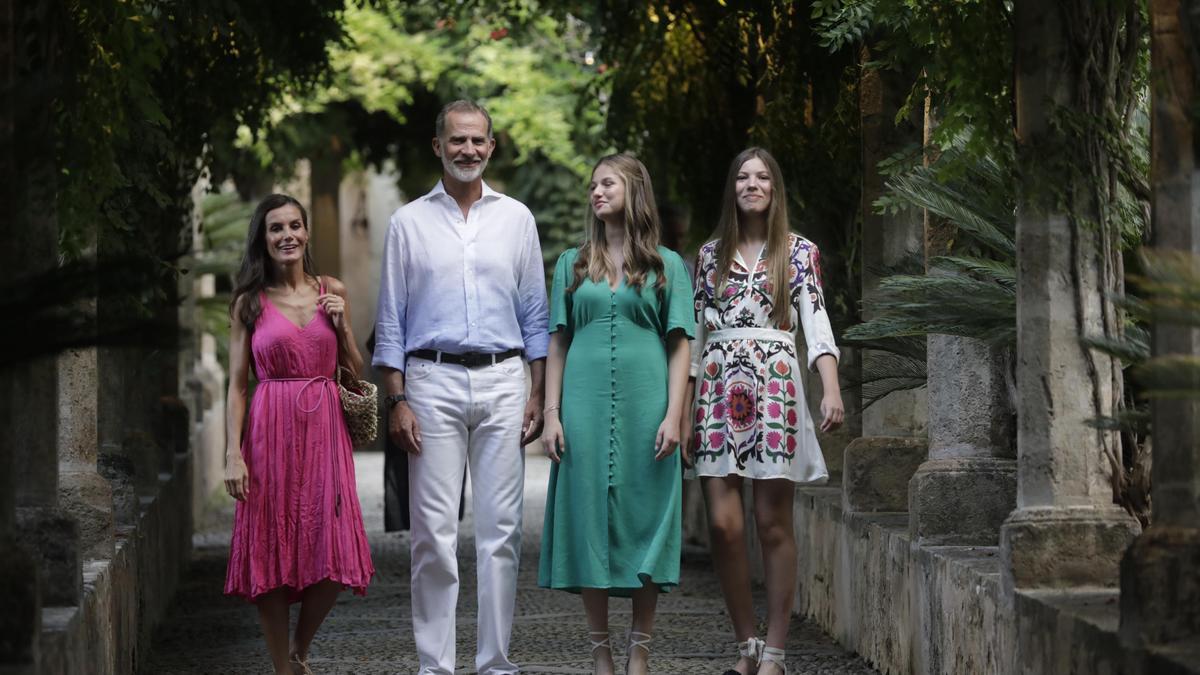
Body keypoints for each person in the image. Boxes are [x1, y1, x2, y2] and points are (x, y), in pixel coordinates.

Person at [373, 100, 549, 675]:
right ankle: (435, 665)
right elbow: (392, 320)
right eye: (457, 141)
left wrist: (538, 393)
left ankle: (494, 662)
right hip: (431, 381)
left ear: (491, 147)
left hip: (504, 378)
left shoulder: (517, 219)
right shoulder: (407, 222)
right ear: (438, 146)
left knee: (502, 533)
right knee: (432, 534)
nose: (468, 150)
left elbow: (535, 314)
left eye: (478, 141)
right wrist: (396, 399)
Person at [683, 148, 845, 675]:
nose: (752, 184)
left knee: (772, 522)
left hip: (775, 387)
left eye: (762, 177)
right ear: (732, 189)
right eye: (743, 177)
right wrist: (683, 411)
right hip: (716, 390)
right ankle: (744, 644)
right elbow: (694, 335)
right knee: (726, 526)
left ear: (774, 189)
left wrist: (831, 389)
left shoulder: (799, 252)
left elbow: (816, 324)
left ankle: (774, 650)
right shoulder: (708, 256)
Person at [538, 153, 694, 675]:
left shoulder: (667, 265)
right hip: (581, 407)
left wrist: (675, 415)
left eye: (607, 183)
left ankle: (640, 650)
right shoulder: (571, 263)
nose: (596, 192)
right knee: (587, 517)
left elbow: (680, 347)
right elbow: (557, 343)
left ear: (634, 189)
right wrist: (552, 414)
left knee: (648, 515)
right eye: (592, 185)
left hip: (647, 403)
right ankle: (601, 650)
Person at [223, 194, 375, 675]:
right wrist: (233, 454)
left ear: (306, 234)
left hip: (325, 427)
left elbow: (353, 369)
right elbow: (236, 386)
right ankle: (282, 668)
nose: (286, 235)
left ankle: (300, 648)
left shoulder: (332, 289)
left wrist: (342, 325)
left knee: (332, 543)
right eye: (275, 228)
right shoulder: (249, 302)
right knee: (269, 543)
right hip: (268, 430)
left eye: (294, 225)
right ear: (263, 240)